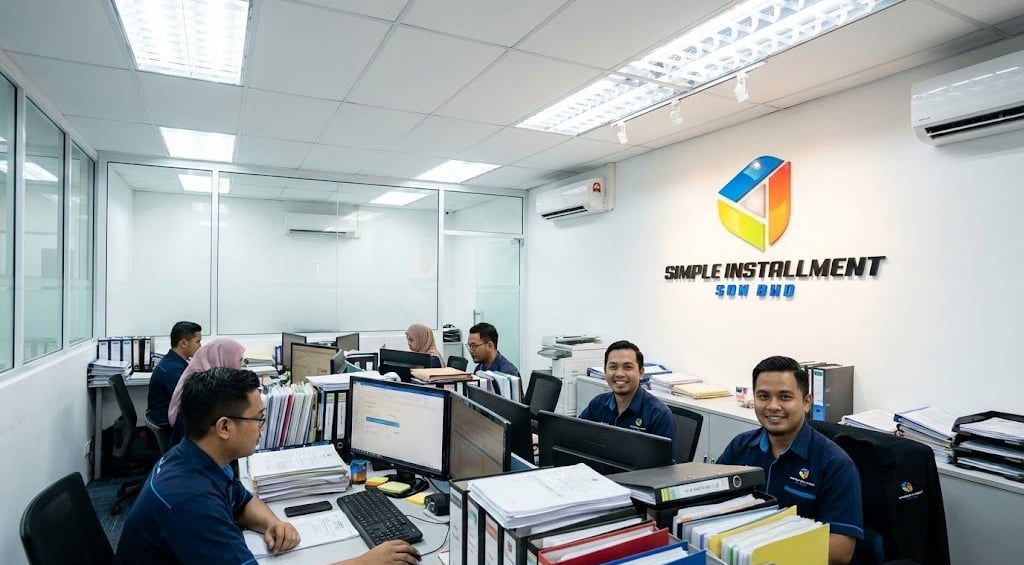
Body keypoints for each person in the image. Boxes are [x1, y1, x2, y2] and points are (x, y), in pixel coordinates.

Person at [115, 367, 422, 565]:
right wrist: (365, 562)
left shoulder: (194, 456)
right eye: (259, 418)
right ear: (224, 427)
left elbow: (241, 501)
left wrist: (272, 522)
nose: (262, 427)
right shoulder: (191, 502)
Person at [716, 356, 863, 565]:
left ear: (806, 402)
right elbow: (711, 502)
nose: (773, 406)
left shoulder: (836, 465)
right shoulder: (740, 446)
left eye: (785, 397)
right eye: (763, 396)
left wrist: (763, 554)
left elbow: (841, 550)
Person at [578, 340, 675, 451]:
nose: (619, 374)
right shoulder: (597, 404)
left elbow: (663, 461)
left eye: (627, 367)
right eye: (613, 367)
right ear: (605, 372)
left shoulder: (659, 414)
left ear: (641, 373)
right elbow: (576, 439)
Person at [167, 338, 247, 443]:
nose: (241, 366)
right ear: (224, 359)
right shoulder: (202, 391)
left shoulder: (207, 382)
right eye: (239, 360)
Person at [147, 321, 202, 426]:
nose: (200, 346)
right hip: (168, 422)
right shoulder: (173, 370)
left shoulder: (173, 362)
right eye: (197, 342)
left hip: (166, 415)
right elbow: (189, 400)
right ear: (183, 343)